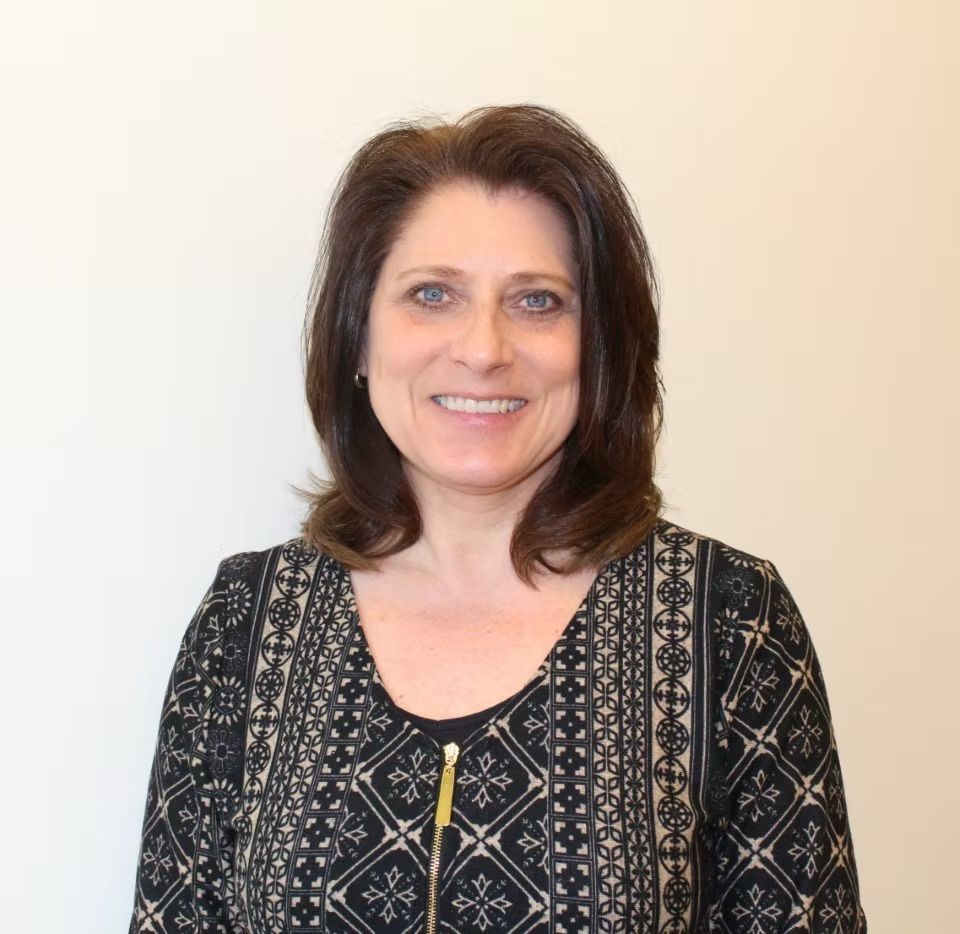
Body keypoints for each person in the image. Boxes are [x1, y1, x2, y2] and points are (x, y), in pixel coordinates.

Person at [129, 104, 866, 932]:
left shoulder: (728, 621)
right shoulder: (251, 619)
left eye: (539, 301)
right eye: (432, 294)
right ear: (359, 342)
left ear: (600, 351)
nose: (483, 347)